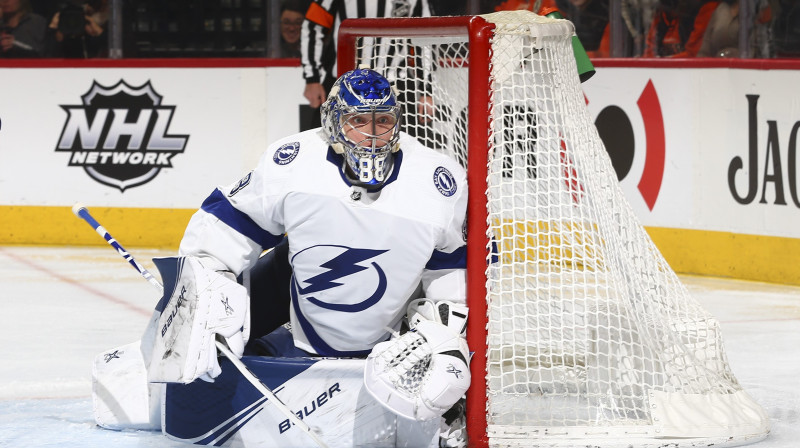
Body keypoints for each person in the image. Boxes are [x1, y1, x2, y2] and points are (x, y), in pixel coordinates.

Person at [146, 68, 471, 446]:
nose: (371, 133)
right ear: (333, 123)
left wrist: (443, 334)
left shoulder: (438, 179)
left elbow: (456, 268)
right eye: (357, 121)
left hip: (391, 344)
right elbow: (227, 225)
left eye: (382, 121)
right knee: (200, 305)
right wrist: (208, 289)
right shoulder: (295, 162)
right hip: (299, 330)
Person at [300, 0, 432, 129]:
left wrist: (427, 91)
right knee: (324, 144)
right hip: (343, 82)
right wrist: (312, 78)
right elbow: (313, 26)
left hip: (396, 87)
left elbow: (426, 38)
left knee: (404, 147)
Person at [643, 0, 720, 57]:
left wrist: (662, 62)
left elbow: (694, 54)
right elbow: (649, 51)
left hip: (692, 73)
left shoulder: (706, 6)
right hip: (663, 72)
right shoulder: (662, 10)